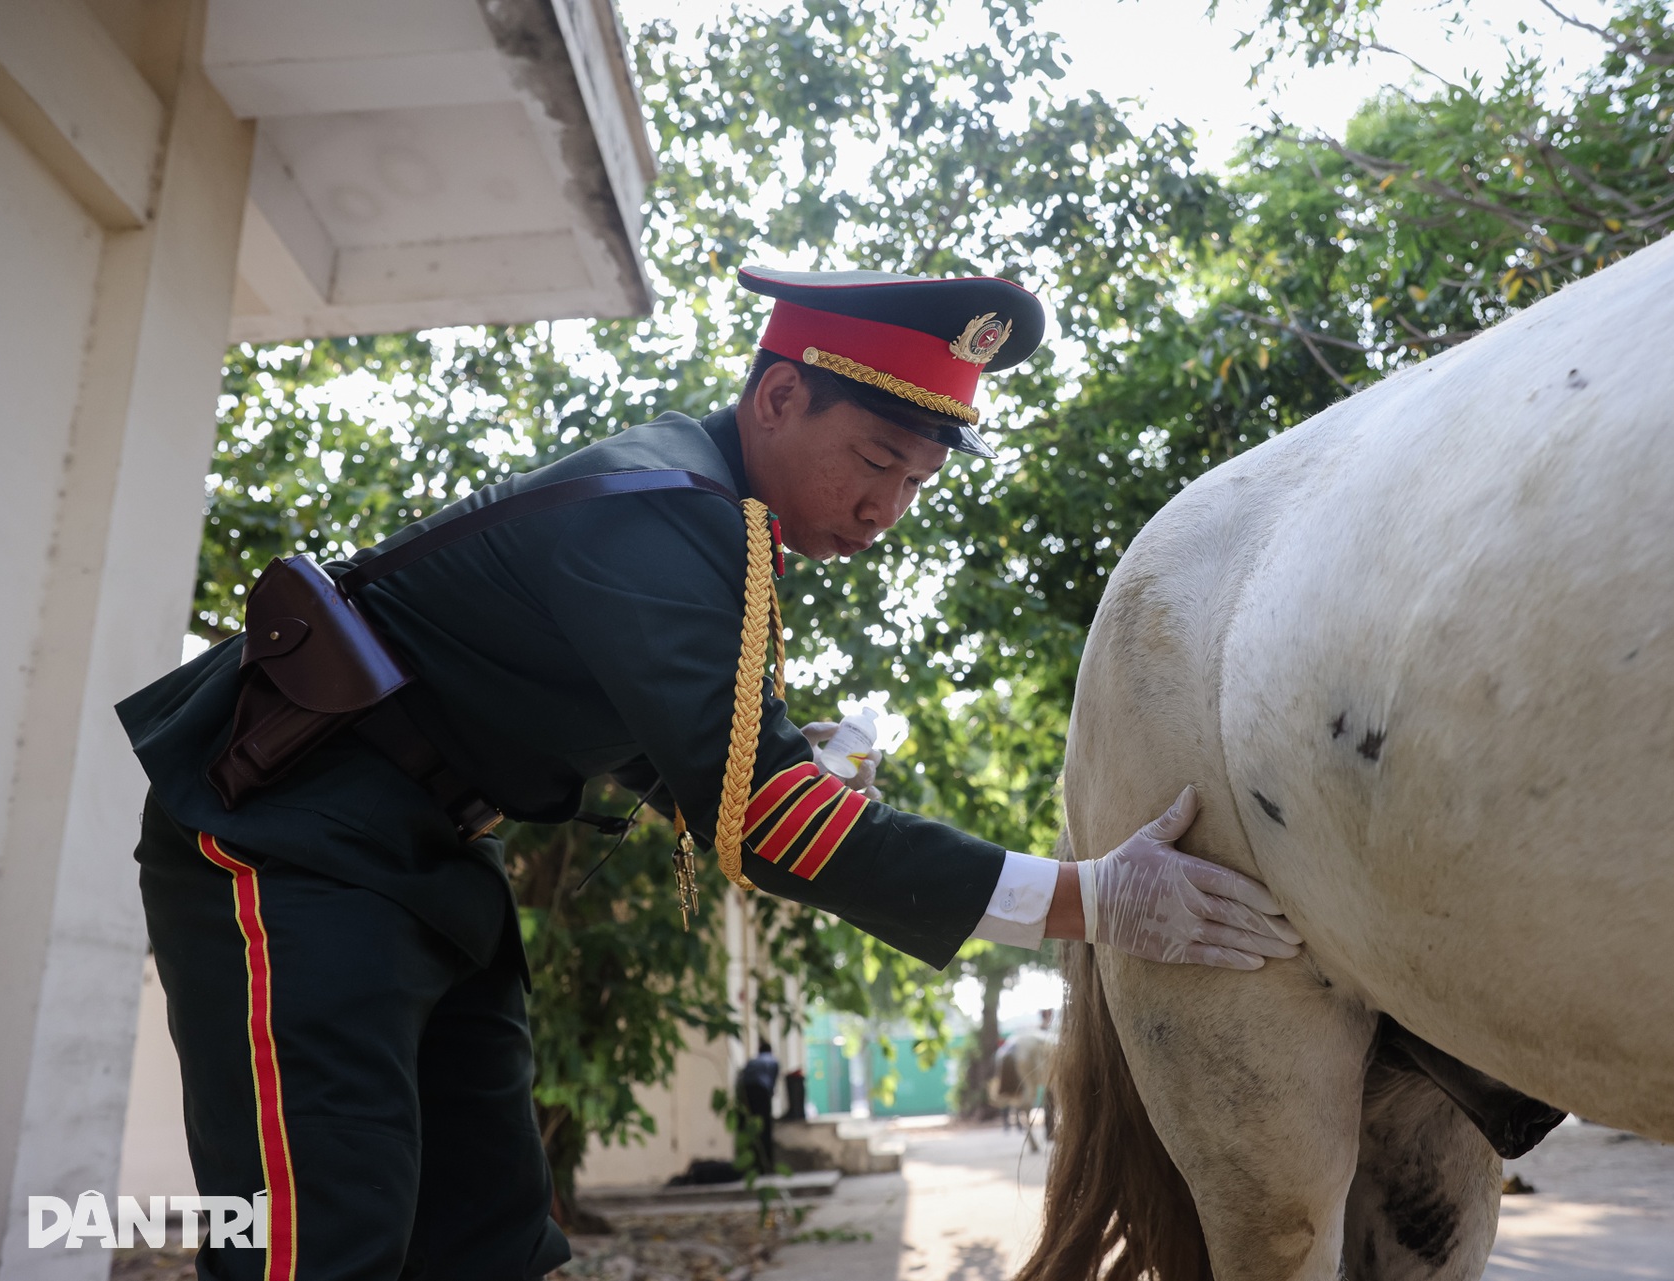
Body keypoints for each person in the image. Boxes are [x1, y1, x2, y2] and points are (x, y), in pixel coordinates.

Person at [116, 266, 1303, 1280]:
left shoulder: (708, 517)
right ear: (780, 395)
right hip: (292, 845)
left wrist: (795, 764)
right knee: (320, 1240)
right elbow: (762, 818)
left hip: (422, 864)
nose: (887, 508)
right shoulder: (661, 512)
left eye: (916, 486)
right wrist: (1088, 899)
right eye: (875, 460)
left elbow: (694, 764)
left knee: (487, 1235)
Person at [736, 1040, 782, 1175]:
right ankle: (766, 1165)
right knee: (765, 1127)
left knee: (748, 1127)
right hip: (761, 1091)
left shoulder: (752, 1061)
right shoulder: (773, 1061)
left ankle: (751, 1165)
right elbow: (772, 1084)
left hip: (746, 1093)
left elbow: (743, 1078)